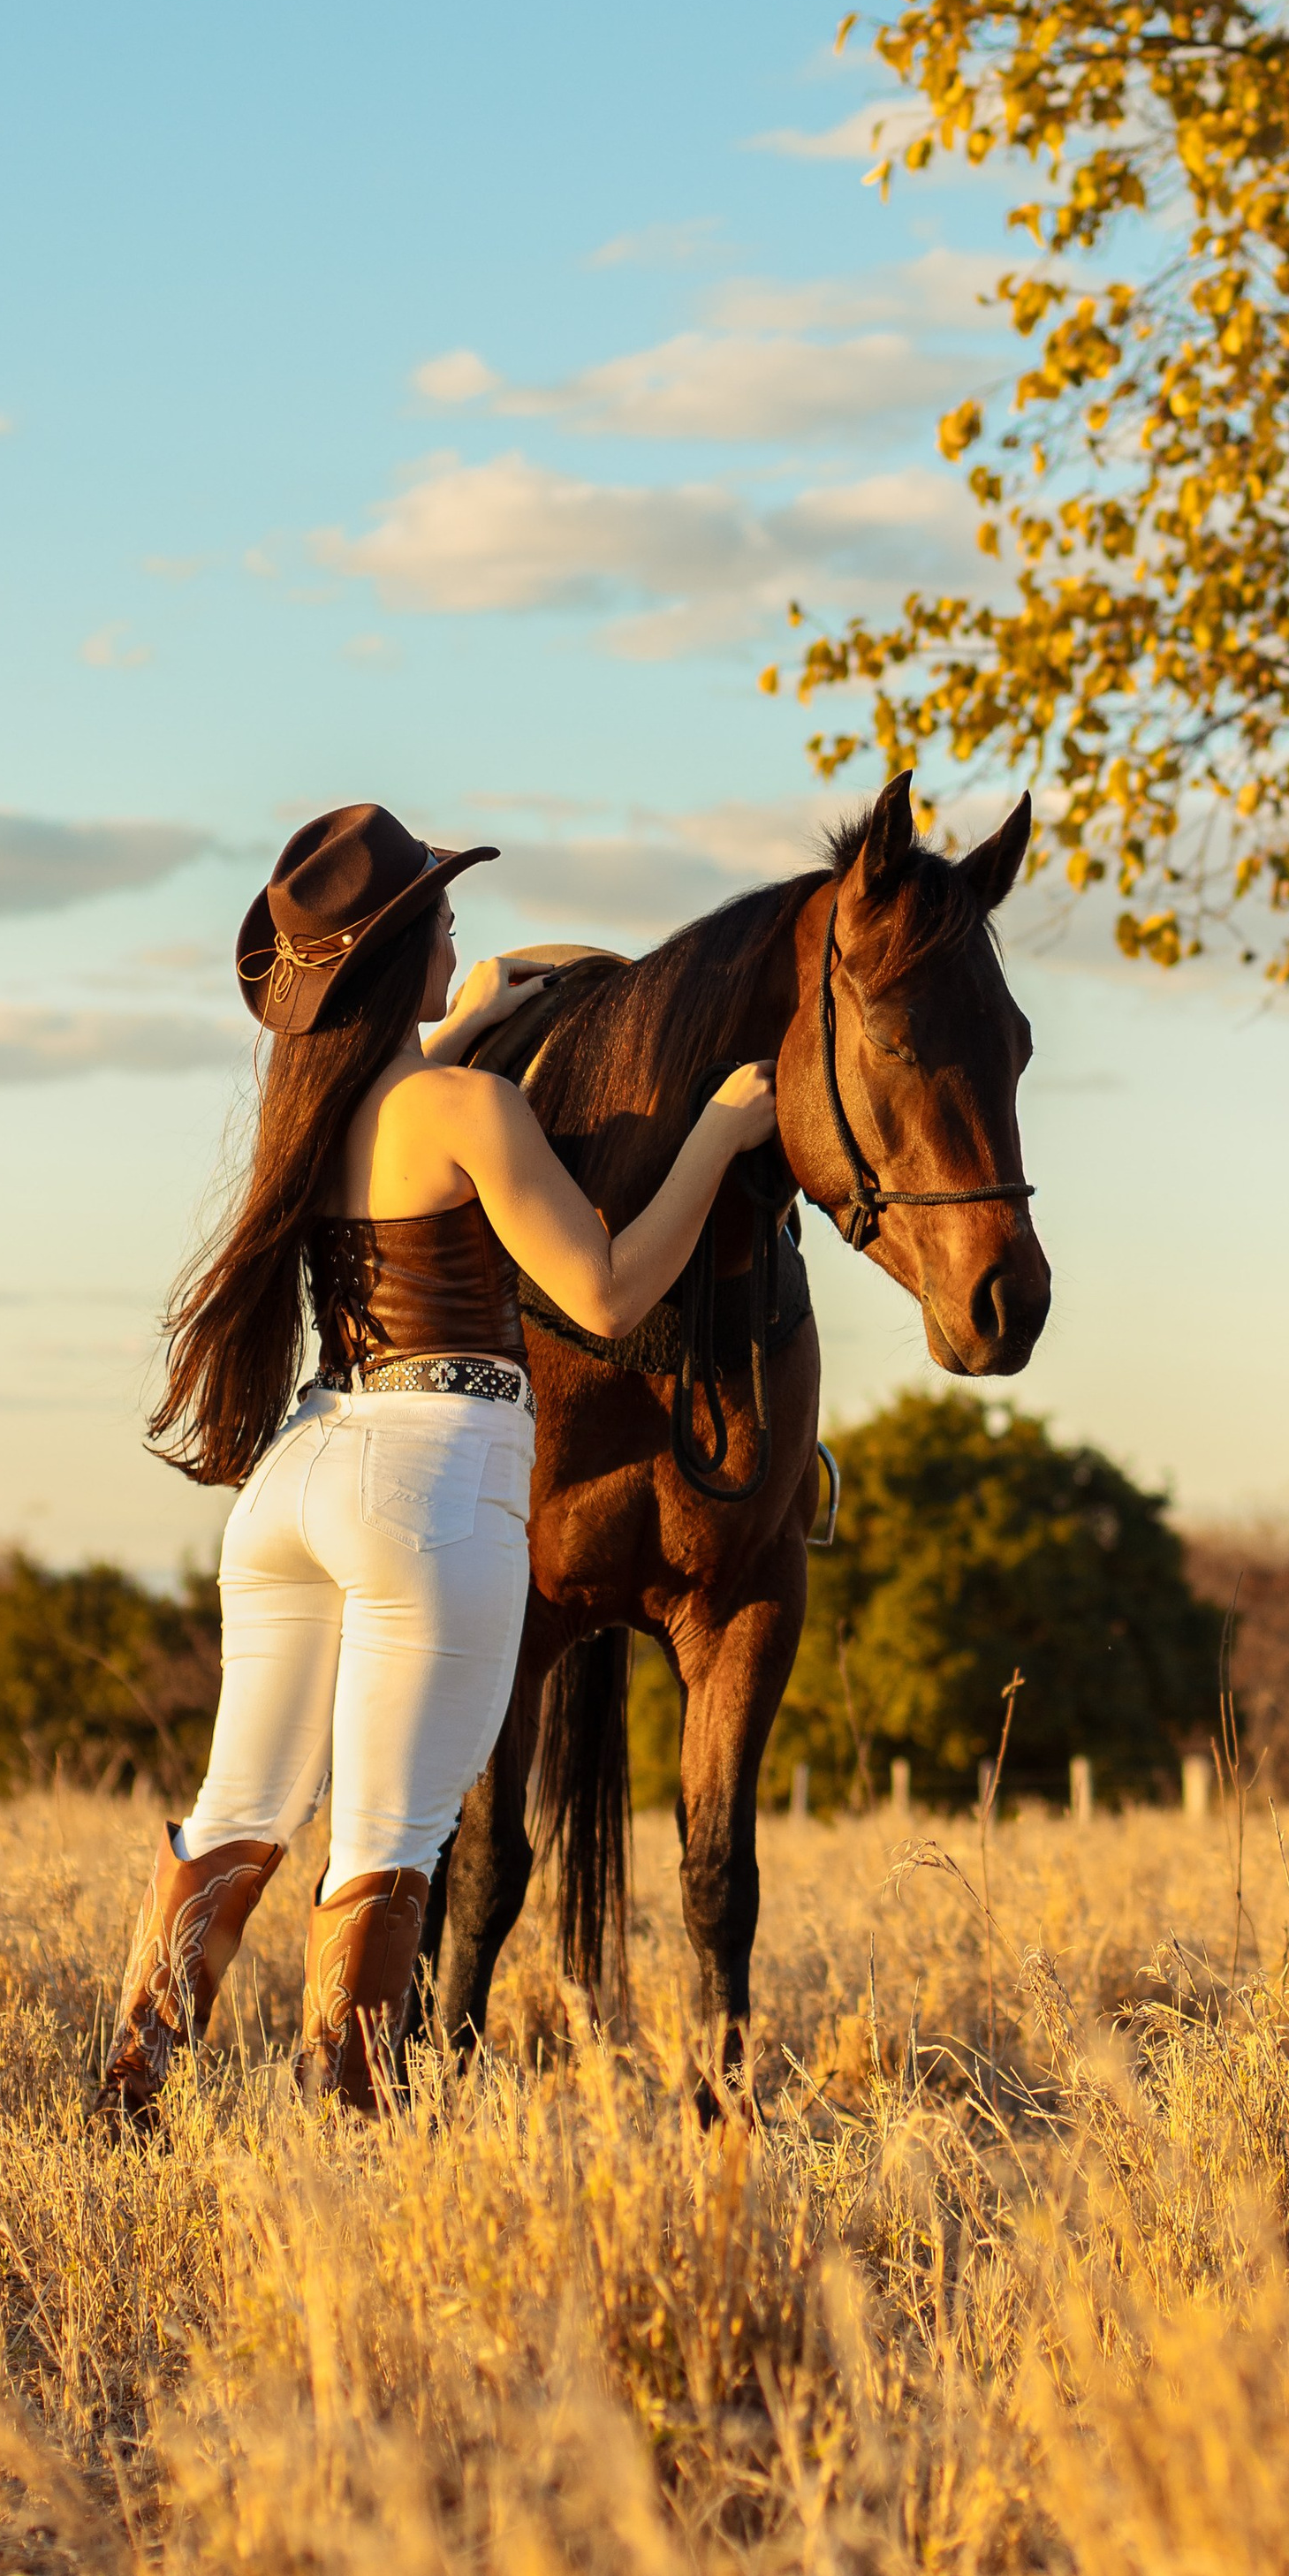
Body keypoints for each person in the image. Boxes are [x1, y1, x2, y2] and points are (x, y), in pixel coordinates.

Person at [90, 802, 775, 2127]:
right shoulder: (472, 1109)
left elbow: (400, 1121)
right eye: (444, 924)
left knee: (239, 1809)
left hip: (299, 1476)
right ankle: (347, 2134)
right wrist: (718, 1134)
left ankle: (131, 2092)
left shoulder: (310, 1117)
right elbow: (609, 1291)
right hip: (432, 1482)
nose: (461, 939)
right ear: (400, 954)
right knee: (390, 1838)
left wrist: (456, 1022)